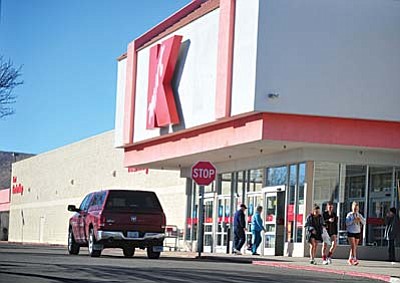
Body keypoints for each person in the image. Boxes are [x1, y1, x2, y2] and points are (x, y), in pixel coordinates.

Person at [346, 201, 366, 266]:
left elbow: (364, 222)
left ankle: (350, 259)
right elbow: (347, 223)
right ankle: (354, 259)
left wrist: (360, 219)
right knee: (353, 246)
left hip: (357, 232)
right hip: (351, 232)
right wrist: (353, 221)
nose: (355, 210)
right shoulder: (349, 215)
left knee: (354, 247)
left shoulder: (359, 215)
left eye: (356, 209)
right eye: (354, 208)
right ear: (352, 208)